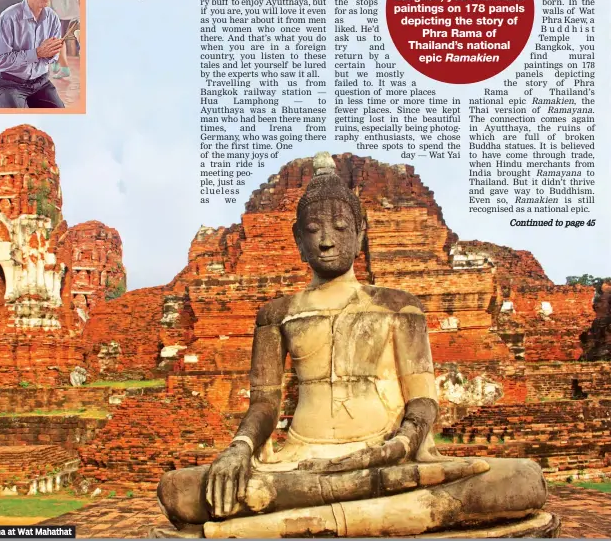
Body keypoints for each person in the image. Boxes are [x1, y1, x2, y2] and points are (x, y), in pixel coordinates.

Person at [157, 153, 548, 538]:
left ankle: (290, 521)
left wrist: (402, 442)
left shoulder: (399, 305)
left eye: (341, 227)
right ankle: (376, 514)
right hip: (301, 460)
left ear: (360, 232)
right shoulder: (277, 314)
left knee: (521, 479)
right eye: (312, 229)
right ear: (297, 238)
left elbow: (423, 400)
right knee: (179, 491)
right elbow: (264, 403)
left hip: (387, 457)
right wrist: (240, 448)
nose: (326, 241)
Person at [0, 0, 65, 108]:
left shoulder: (53, 17)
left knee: (61, 114)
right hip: (8, 83)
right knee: (16, 118)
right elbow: (0, 61)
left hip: (40, 82)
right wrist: (37, 53)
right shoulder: (9, 17)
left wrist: (50, 53)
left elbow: (53, 55)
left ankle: (0, 102)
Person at [43, 0, 80, 79]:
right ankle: (57, 63)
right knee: (61, 34)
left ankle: (63, 66)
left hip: (55, 1)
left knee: (55, 36)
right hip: (70, 0)